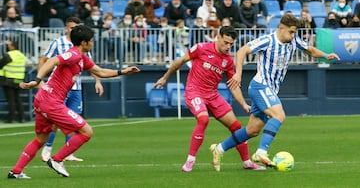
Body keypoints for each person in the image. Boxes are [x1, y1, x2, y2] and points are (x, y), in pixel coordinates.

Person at [8, 25, 141, 179]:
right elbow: (52, 60)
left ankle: (16, 171)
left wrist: (123, 71)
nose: (93, 43)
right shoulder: (73, 56)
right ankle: (57, 160)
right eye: (91, 41)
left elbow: (100, 72)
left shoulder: (82, 59)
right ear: (84, 42)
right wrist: (37, 80)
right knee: (87, 132)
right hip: (51, 102)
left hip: (42, 100)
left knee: (41, 139)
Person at [209, 14, 340, 170]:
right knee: (279, 115)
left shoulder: (294, 40)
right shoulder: (268, 40)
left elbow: (310, 50)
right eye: (291, 32)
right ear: (281, 28)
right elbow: (242, 51)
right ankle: (261, 152)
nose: (293, 35)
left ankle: (219, 149)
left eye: (295, 32)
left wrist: (326, 55)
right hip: (260, 86)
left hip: (270, 90)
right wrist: (238, 73)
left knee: (252, 130)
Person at [154, 26, 265, 172]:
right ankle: (190, 161)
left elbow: (233, 85)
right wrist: (165, 78)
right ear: (218, 37)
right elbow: (180, 61)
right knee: (203, 119)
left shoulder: (228, 61)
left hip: (213, 95)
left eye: (231, 44)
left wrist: (244, 104)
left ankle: (246, 162)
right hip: (194, 92)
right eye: (226, 42)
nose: (228, 47)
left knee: (237, 127)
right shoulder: (201, 48)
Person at [39, 17, 104, 162]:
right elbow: (45, 60)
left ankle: (68, 152)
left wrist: (97, 81)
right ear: (66, 28)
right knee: (55, 121)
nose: (73, 30)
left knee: (74, 120)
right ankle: (48, 148)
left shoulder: (84, 44)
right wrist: (40, 81)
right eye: (71, 27)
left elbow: (92, 66)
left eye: (76, 27)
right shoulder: (58, 43)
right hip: (58, 89)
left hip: (76, 88)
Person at [0, 40, 26, 123]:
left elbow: (1, 64)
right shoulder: (22, 55)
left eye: (9, 45)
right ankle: (22, 117)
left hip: (9, 79)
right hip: (19, 79)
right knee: (18, 99)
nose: (8, 47)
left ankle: (11, 118)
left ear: (12, 46)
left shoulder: (9, 55)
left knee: (10, 99)